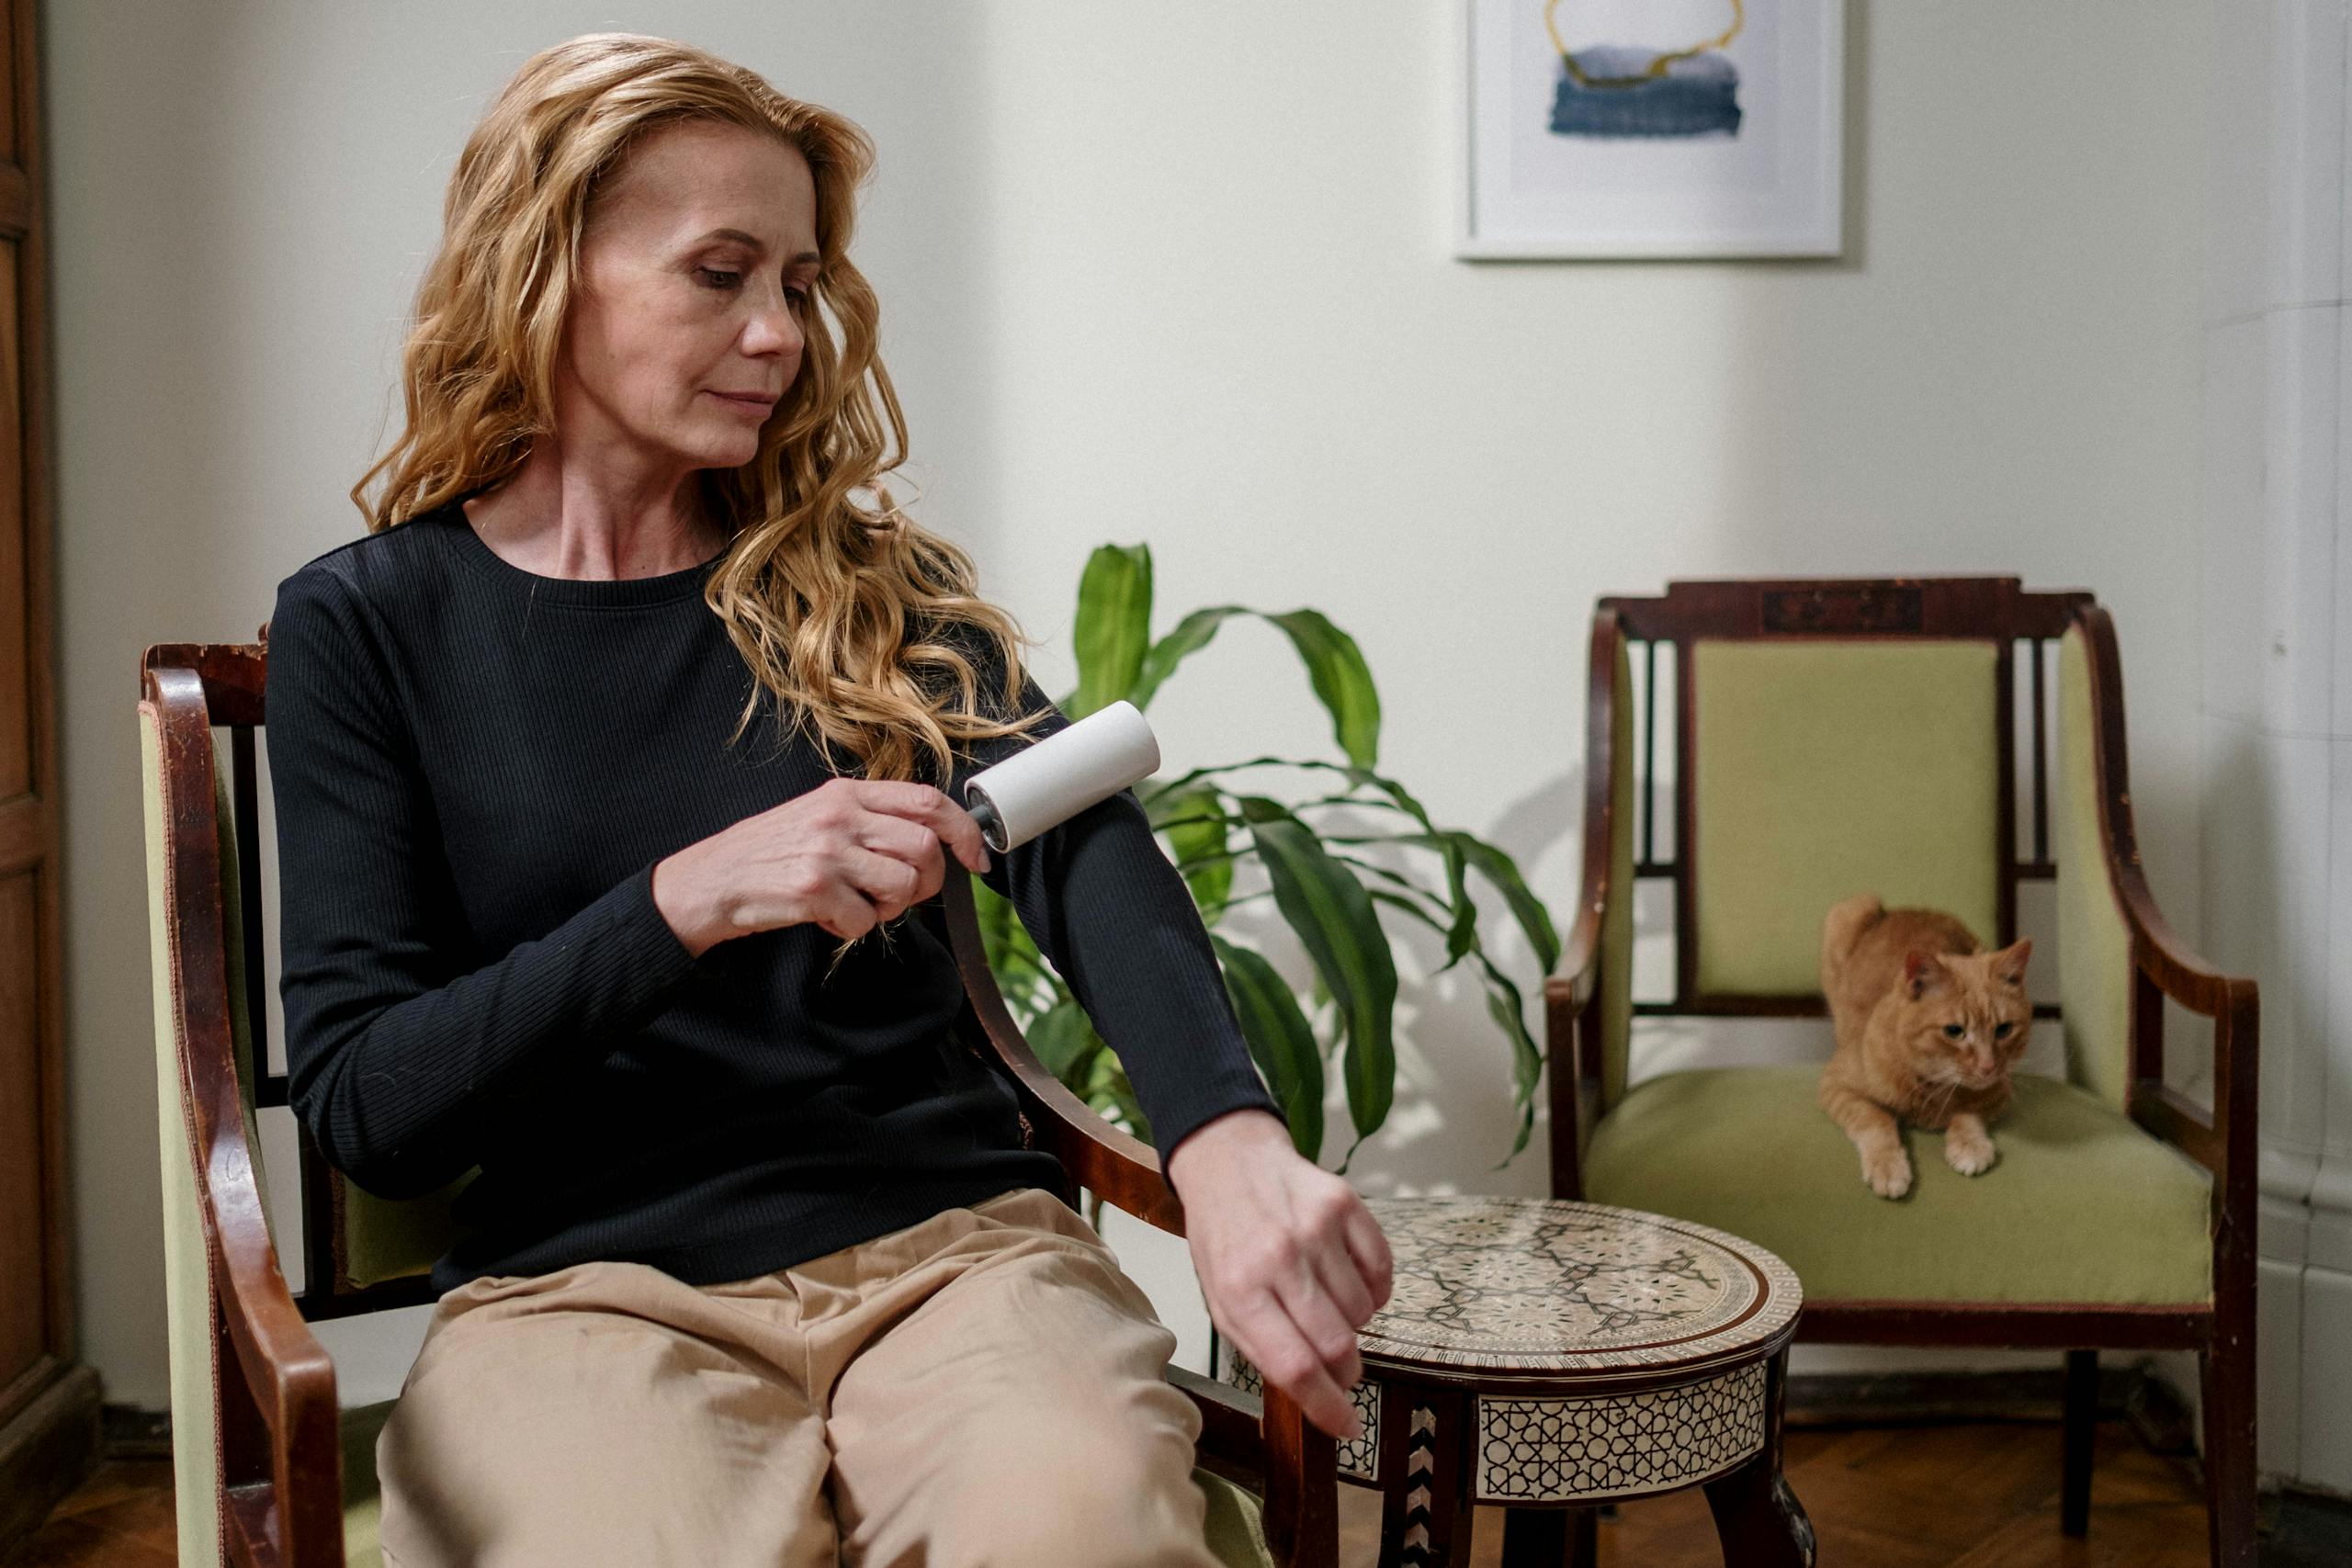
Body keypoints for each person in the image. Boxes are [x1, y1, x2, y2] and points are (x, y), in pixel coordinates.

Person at [262, 30, 1393, 1568]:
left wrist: (1228, 1139)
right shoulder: (371, 626)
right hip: (579, 1296)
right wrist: (690, 896)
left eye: (797, 282)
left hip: (959, 1260)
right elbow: (367, 1107)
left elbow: (1079, 843)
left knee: (1084, 1536)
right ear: (544, 274)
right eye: (720, 274)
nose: (781, 332)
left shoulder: (861, 589)